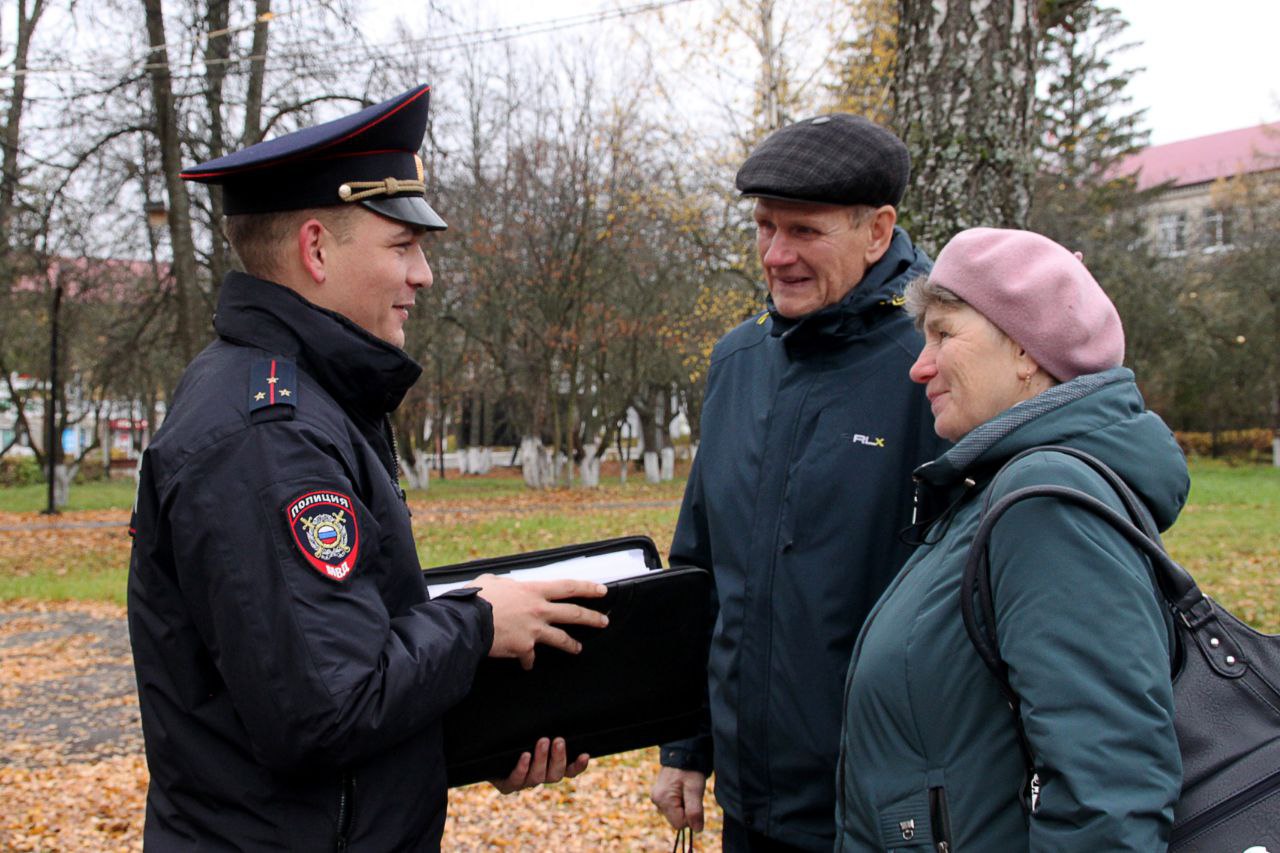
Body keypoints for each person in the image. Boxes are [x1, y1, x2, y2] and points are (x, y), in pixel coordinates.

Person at [127, 84, 609, 850]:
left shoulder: (302, 398)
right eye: (401, 246)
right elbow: (325, 707)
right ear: (316, 249)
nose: (423, 275)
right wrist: (478, 621)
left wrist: (491, 732)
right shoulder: (271, 431)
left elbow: (334, 665)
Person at [650, 114, 949, 851]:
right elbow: (701, 567)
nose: (775, 255)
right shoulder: (739, 361)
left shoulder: (938, 363)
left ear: (878, 231)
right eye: (763, 227)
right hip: (748, 809)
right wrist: (688, 749)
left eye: (804, 232)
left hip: (885, 816)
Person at [836, 228, 1185, 850]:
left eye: (943, 333)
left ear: (1026, 349)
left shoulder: (1045, 500)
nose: (919, 367)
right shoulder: (992, 490)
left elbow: (1109, 794)